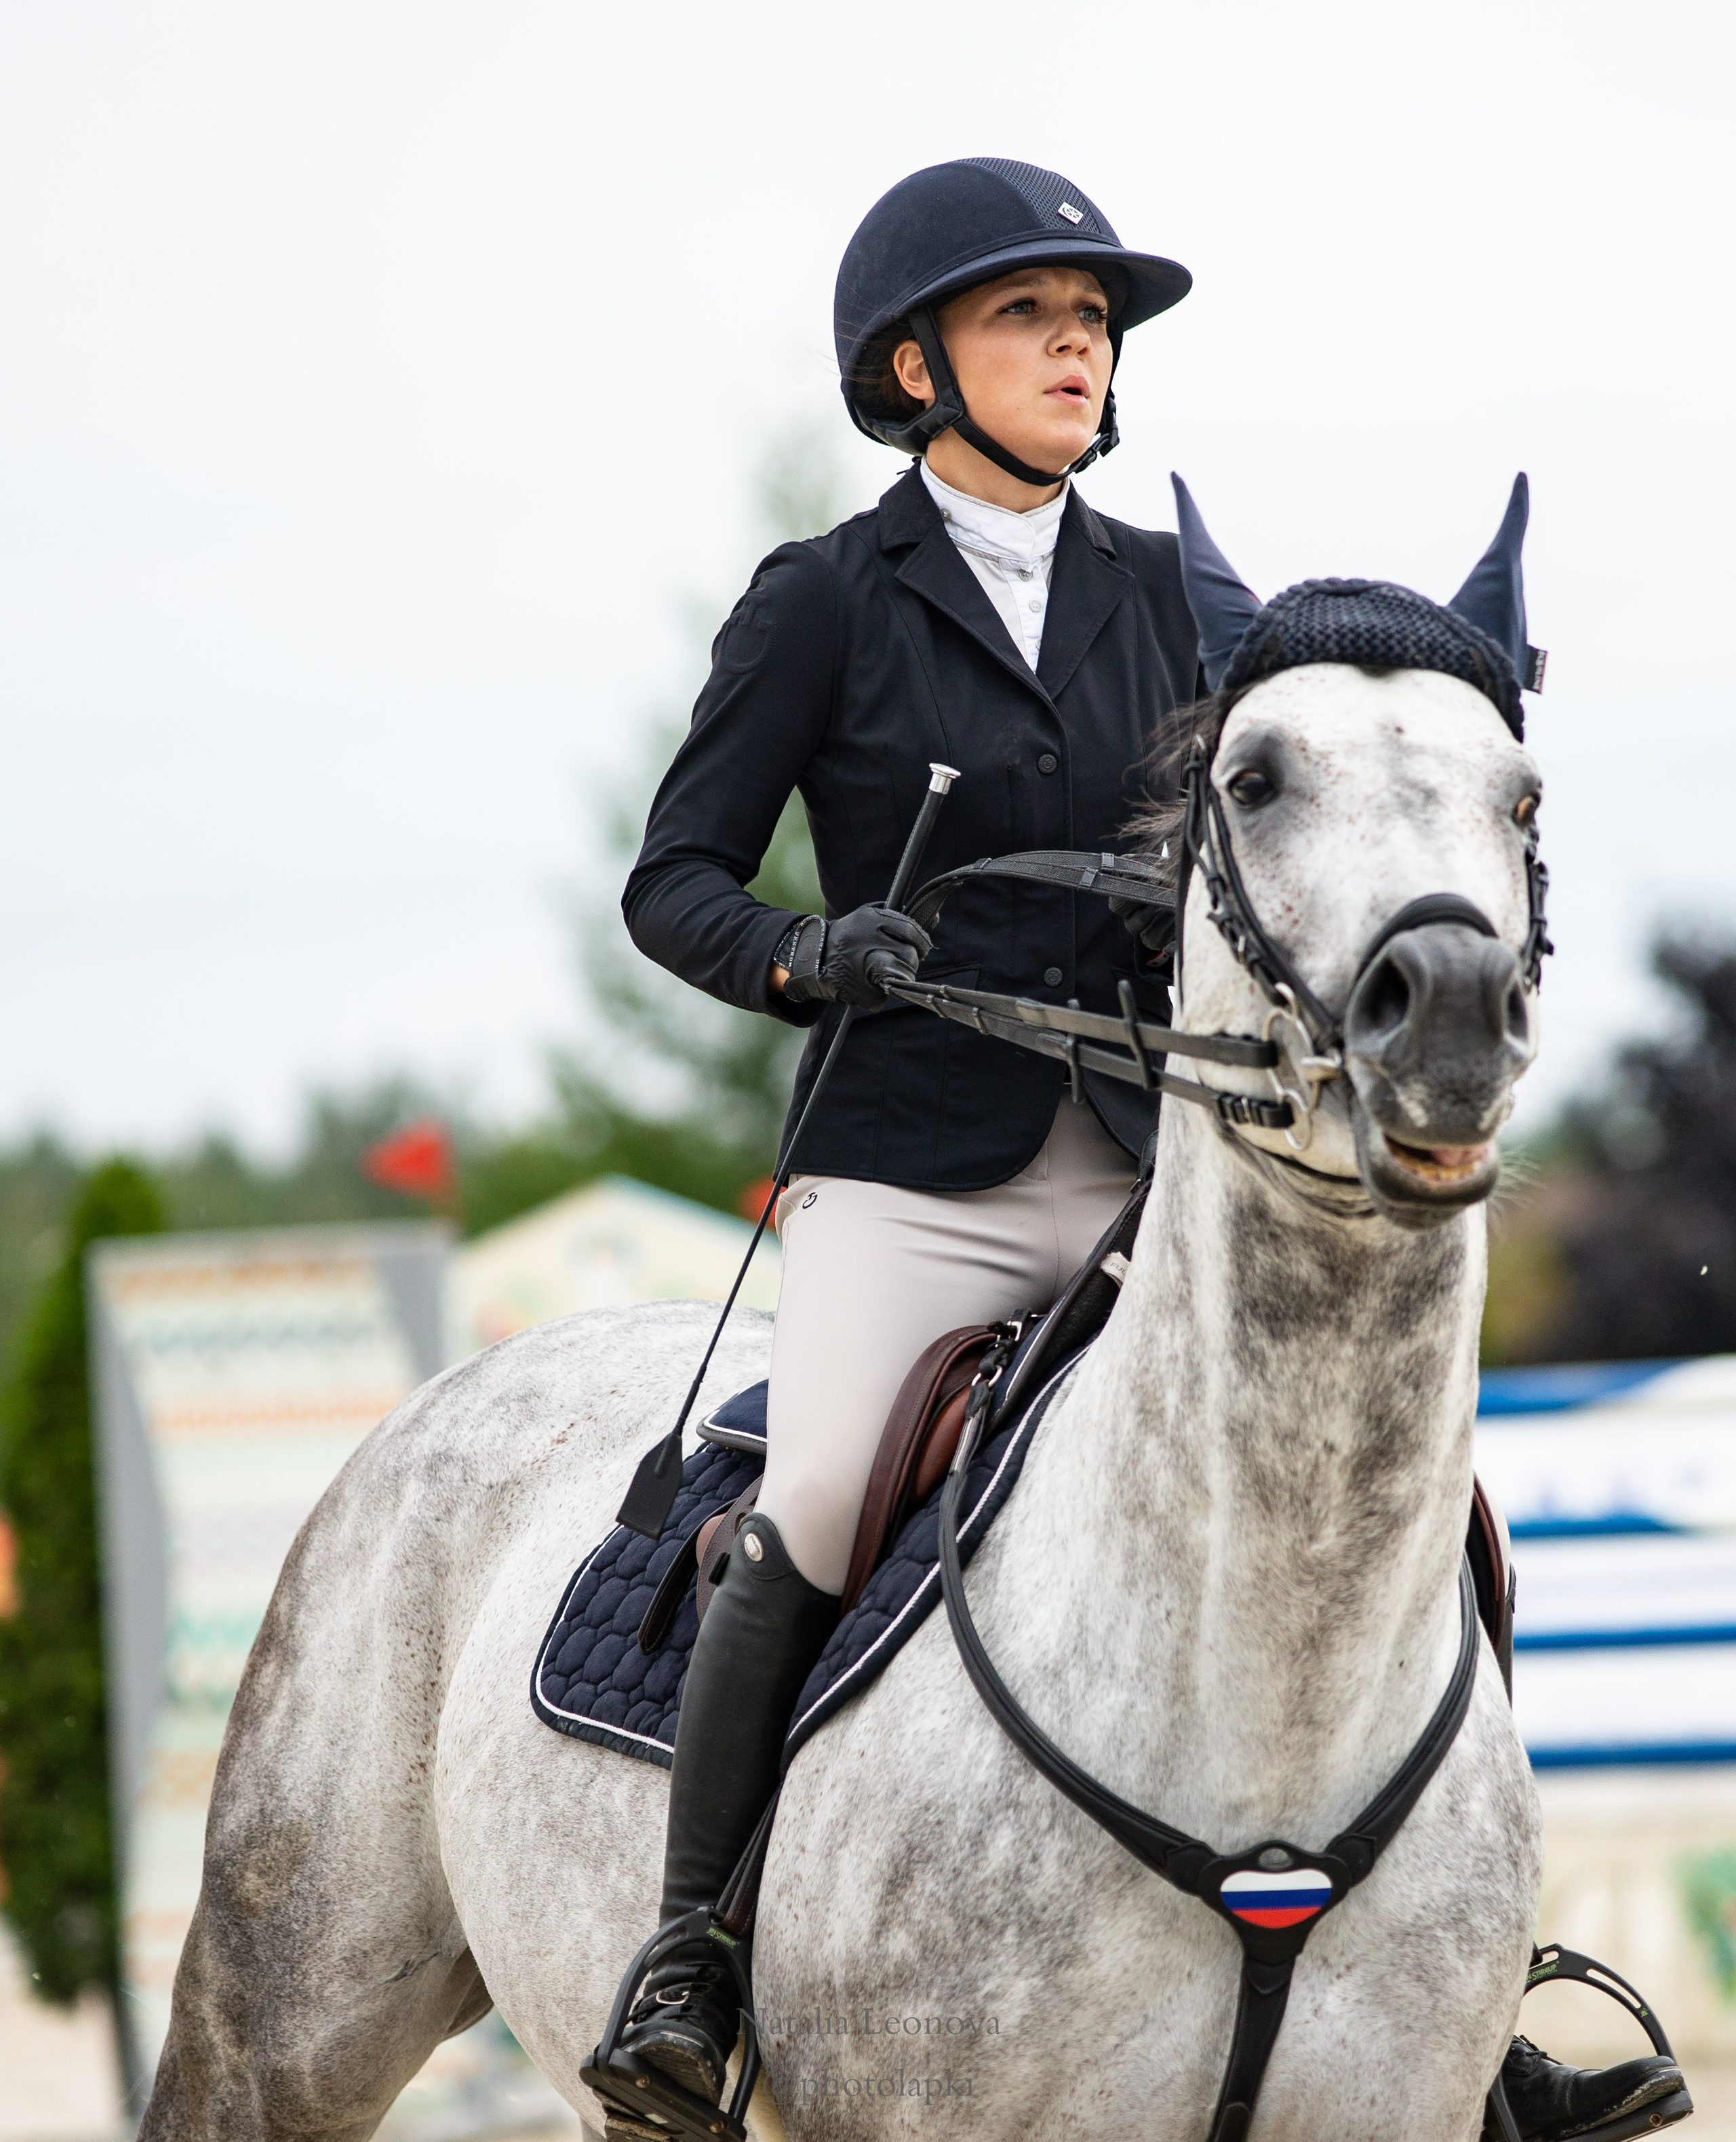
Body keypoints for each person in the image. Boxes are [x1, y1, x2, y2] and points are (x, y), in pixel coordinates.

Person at [602, 159, 1689, 2142]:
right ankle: (694, 1952)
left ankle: (1473, 1989)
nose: (1077, 348)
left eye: (1093, 321)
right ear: (915, 366)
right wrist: (806, 953)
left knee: (1411, 1514)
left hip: (1146, 1159)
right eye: (1028, 316)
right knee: (822, 1494)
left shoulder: (1177, 606)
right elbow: (670, 881)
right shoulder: (826, 600)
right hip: (914, 1173)